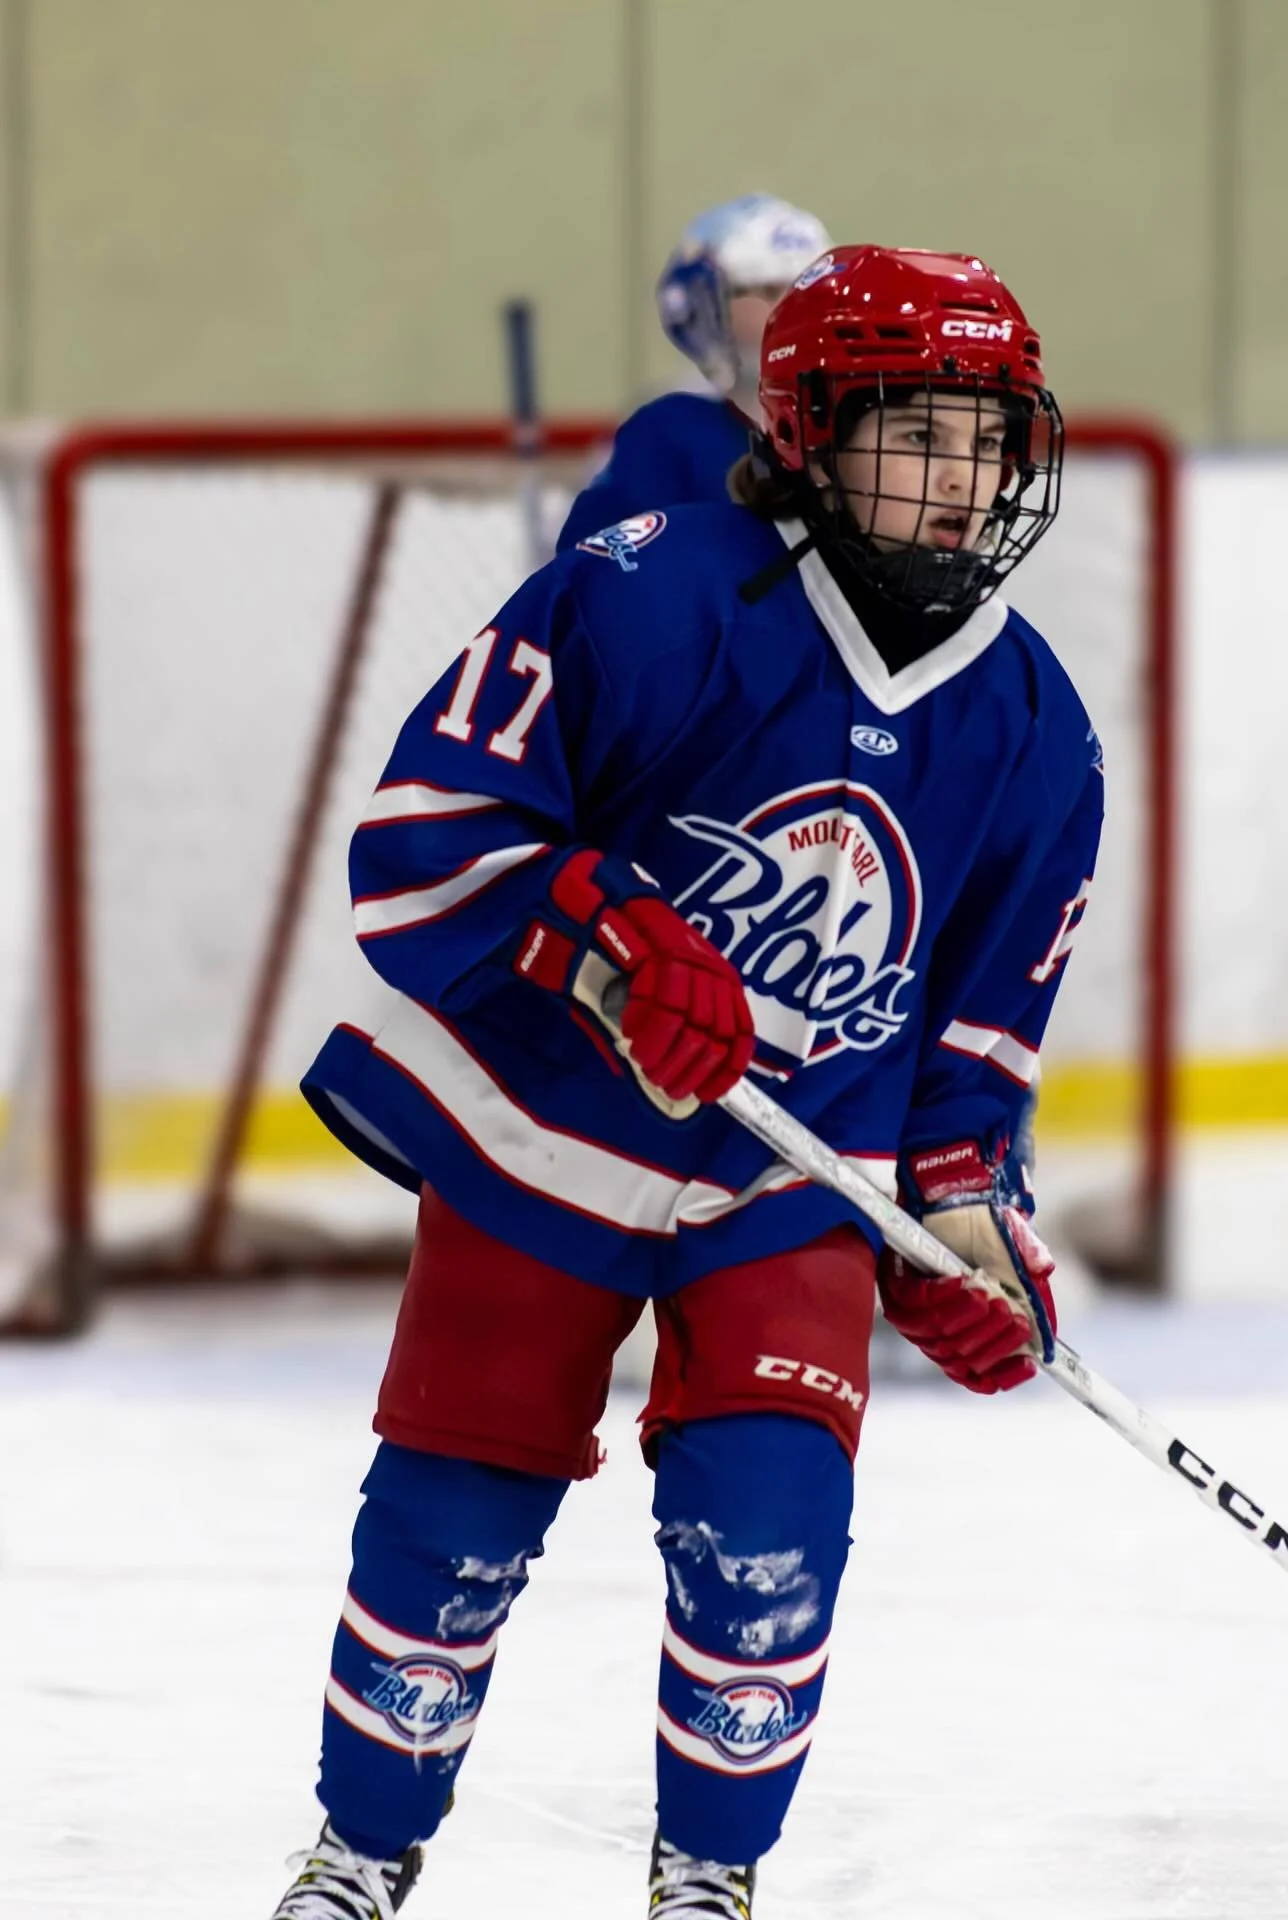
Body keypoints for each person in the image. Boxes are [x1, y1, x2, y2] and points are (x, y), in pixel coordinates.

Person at [269, 244, 1100, 1920]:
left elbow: (966, 1070)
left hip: (790, 1175)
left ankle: (707, 1878)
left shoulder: (1036, 732)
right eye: (915, 436)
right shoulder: (648, 591)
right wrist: (610, 938)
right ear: (808, 434)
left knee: (771, 1541)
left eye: (986, 438)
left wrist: (970, 1232)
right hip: (539, 1138)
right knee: (453, 1515)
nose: (961, 481)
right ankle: (361, 1852)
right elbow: (422, 849)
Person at [554, 192, 832, 549]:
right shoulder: (669, 432)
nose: (796, 307)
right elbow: (597, 567)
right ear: (706, 302)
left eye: (811, 289)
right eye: (769, 289)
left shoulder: (856, 420)